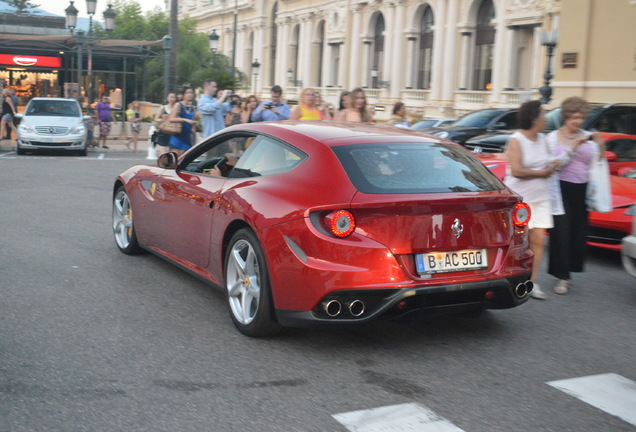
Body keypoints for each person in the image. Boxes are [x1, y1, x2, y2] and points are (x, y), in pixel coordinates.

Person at [547, 96, 605, 295]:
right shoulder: (553, 138)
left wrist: (601, 147)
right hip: (560, 189)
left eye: (581, 118)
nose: (578, 122)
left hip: (583, 190)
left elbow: (598, 162)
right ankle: (562, 278)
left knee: (578, 234)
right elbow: (553, 165)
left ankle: (569, 271)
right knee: (561, 232)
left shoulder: (589, 136)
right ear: (566, 116)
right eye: (574, 118)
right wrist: (574, 148)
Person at [503, 100, 560, 300]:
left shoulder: (544, 139)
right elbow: (516, 170)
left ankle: (532, 283)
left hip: (542, 197)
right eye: (543, 114)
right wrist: (542, 173)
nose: (546, 118)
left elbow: (549, 161)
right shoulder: (516, 140)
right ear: (534, 118)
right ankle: (512, 279)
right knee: (520, 242)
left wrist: (553, 166)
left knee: (538, 241)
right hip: (523, 200)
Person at [167, 86, 199, 156]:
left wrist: (194, 126)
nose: (190, 94)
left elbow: (193, 119)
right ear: (183, 95)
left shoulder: (192, 107)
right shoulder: (178, 105)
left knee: (185, 158)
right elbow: (172, 119)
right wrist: (185, 120)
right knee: (174, 158)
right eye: (188, 93)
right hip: (177, 134)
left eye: (191, 93)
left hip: (187, 135)